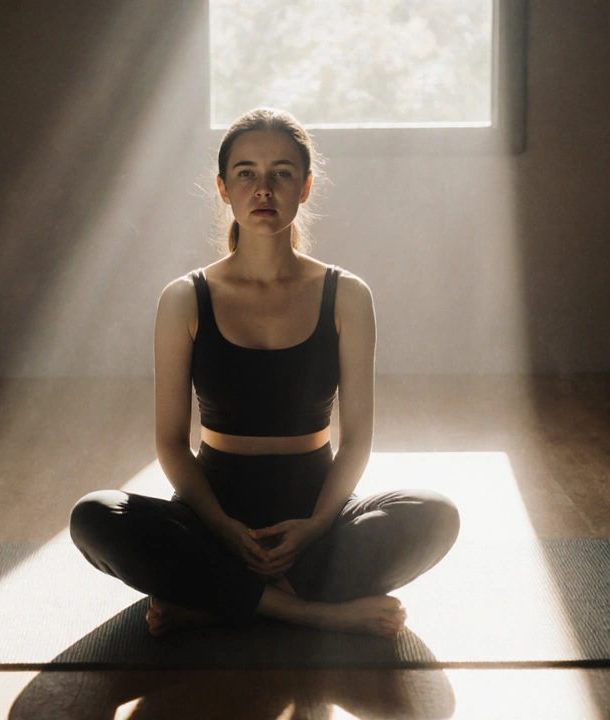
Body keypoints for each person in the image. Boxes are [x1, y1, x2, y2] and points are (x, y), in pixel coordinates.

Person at [70, 108, 459, 638]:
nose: (264, 188)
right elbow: (170, 443)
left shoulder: (347, 295)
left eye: (282, 173)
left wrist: (315, 526)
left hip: (313, 513)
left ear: (305, 187)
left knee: (437, 513)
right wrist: (223, 528)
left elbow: (357, 441)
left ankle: (218, 603)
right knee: (93, 515)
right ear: (223, 188)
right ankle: (312, 611)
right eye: (246, 173)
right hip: (212, 516)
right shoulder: (184, 298)